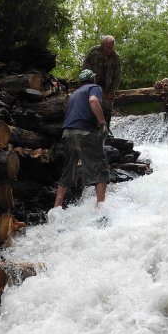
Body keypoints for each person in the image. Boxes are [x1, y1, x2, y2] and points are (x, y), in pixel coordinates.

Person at [53, 69, 111, 208]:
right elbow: (93, 100)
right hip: (84, 132)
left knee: (68, 169)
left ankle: (56, 208)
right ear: (93, 79)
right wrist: (102, 123)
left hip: (67, 133)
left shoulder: (73, 95)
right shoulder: (94, 88)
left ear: (80, 82)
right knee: (100, 168)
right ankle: (101, 209)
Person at [82, 35, 122, 125]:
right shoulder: (93, 52)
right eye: (107, 47)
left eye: (111, 47)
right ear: (102, 44)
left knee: (107, 110)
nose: (109, 50)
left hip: (108, 87)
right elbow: (85, 70)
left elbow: (118, 76)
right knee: (91, 108)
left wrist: (112, 91)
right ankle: (92, 131)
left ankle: (105, 131)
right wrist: (86, 87)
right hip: (92, 85)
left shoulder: (115, 57)